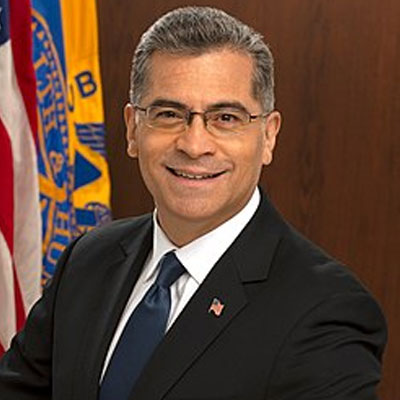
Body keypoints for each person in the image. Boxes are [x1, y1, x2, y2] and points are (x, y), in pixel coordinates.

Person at [0, 6, 387, 400]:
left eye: (226, 118)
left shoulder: (325, 311)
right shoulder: (87, 260)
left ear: (268, 136)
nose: (194, 144)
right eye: (169, 114)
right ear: (133, 129)